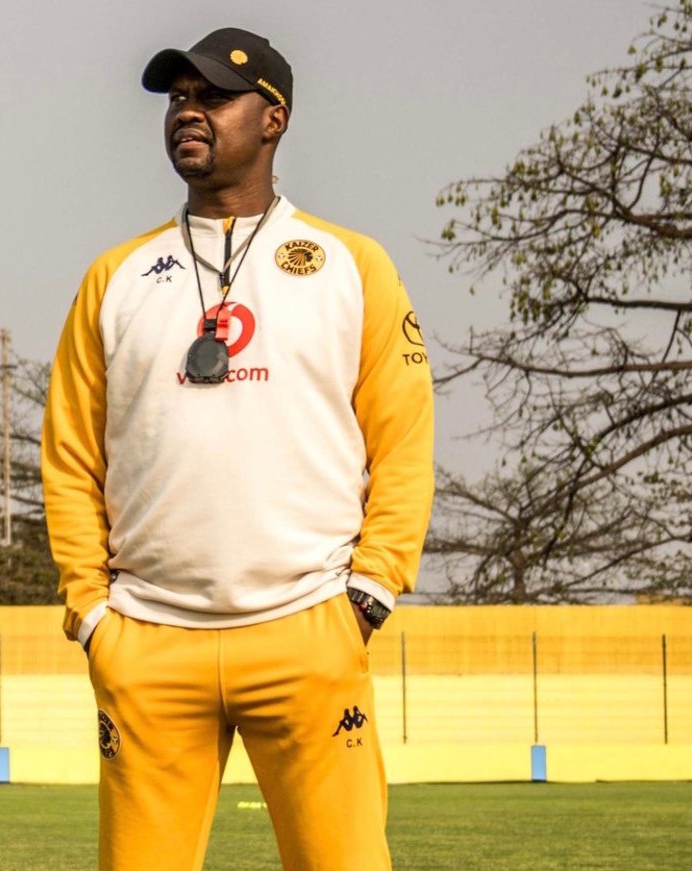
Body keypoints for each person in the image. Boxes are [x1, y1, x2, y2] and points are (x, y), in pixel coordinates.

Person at [41, 27, 434, 871]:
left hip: (308, 626)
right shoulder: (114, 276)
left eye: (214, 95)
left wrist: (369, 589)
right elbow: (70, 456)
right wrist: (92, 610)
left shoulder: (350, 264)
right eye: (179, 96)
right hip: (146, 638)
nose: (189, 110)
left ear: (274, 118)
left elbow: (402, 441)